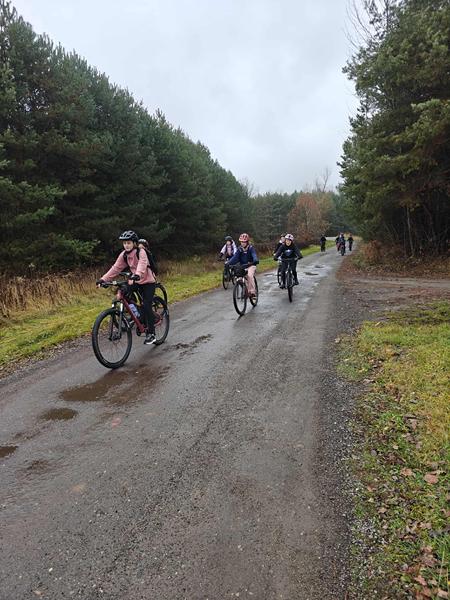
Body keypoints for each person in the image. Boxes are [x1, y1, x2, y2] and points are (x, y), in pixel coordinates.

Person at [97, 230, 157, 345]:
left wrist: (137, 274)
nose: (126, 245)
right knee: (123, 293)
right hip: (135, 280)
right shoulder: (124, 254)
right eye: (124, 243)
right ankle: (138, 315)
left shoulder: (141, 251)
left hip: (147, 281)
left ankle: (151, 333)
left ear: (134, 243)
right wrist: (103, 279)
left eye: (128, 243)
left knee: (146, 305)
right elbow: (115, 268)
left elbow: (142, 264)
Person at [226, 233, 259, 297]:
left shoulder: (250, 248)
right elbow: (235, 257)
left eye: (244, 242)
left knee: (249, 275)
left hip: (251, 265)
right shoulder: (239, 249)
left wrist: (255, 260)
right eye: (241, 242)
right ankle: (245, 290)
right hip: (243, 266)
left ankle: (252, 292)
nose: (242, 243)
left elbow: (254, 254)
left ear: (247, 242)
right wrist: (228, 263)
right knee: (239, 278)